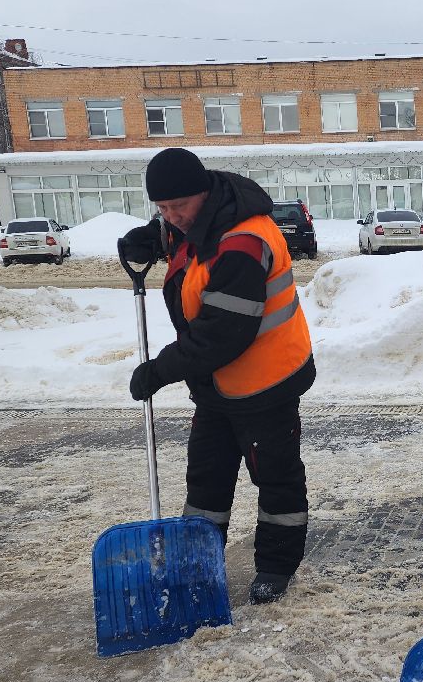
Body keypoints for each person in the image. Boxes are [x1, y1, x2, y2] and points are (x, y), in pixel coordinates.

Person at [119, 147, 316, 604]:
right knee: (206, 479)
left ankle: (275, 567)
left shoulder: (245, 242)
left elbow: (222, 335)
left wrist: (159, 371)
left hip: (267, 382)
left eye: (179, 207)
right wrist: (151, 236)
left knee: (276, 477)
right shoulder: (199, 221)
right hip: (216, 387)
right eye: (162, 209)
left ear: (203, 194)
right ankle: (197, 565)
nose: (173, 217)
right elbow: (185, 242)